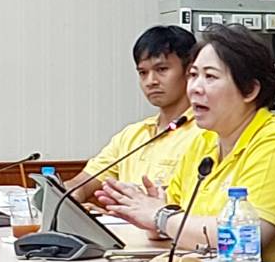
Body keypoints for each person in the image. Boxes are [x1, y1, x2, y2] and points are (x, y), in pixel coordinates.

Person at [99, 24, 275, 262]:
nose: (194, 88)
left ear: (250, 90)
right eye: (193, 75)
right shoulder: (204, 141)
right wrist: (151, 215)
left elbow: (242, 240)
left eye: (210, 77)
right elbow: (173, 222)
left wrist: (161, 217)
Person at [70, 25, 199, 202]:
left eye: (161, 69)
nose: (151, 81)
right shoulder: (131, 135)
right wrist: (69, 196)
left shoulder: (207, 134)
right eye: (143, 73)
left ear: (190, 71)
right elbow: (82, 182)